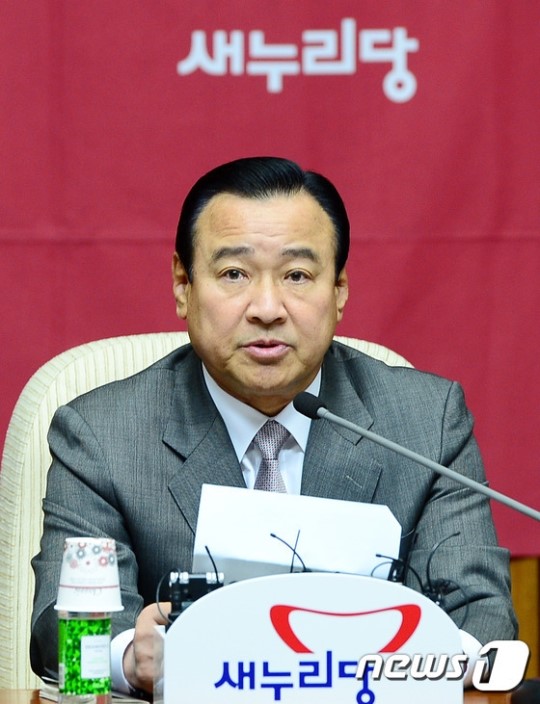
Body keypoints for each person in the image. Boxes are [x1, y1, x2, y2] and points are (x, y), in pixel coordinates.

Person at [31, 156, 517, 695]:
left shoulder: (426, 422)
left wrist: (385, 662)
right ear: (183, 285)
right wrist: (128, 657)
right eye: (234, 274)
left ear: (339, 291)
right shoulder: (102, 434)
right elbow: (57, 632)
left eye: (297, 276)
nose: (267, 308)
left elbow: (483, 617)